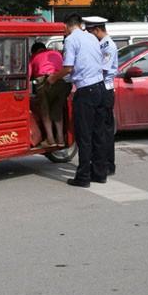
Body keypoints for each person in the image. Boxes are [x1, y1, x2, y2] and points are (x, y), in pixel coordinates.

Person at [48, 13, 107, 187]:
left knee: (84, 135)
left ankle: (83, 177)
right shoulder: (90, 37)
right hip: (99, 88)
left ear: (66, 26)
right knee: (97, 134)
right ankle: (99, 173)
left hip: (86, 91)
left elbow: (68, 68)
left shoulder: (71, 40)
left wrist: (53, 78)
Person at [85, 18, 118, 176]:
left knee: (103, 130)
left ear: (97, 30)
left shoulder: (108, 46)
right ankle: (104, 164)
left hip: (105, 89)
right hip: (102, 88)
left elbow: (103, 69)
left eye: (90, 32)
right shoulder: (100, 44)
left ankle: (106, 165)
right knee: (100, 129)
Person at [29, 42, 72, 147]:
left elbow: (28, 75)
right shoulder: (57, 54)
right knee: (57, 111)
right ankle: (61, 139)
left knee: (45, 111)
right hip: (60, 81)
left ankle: (50, 139)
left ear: (34, 51)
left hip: (43, 81)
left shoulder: (34, 57)